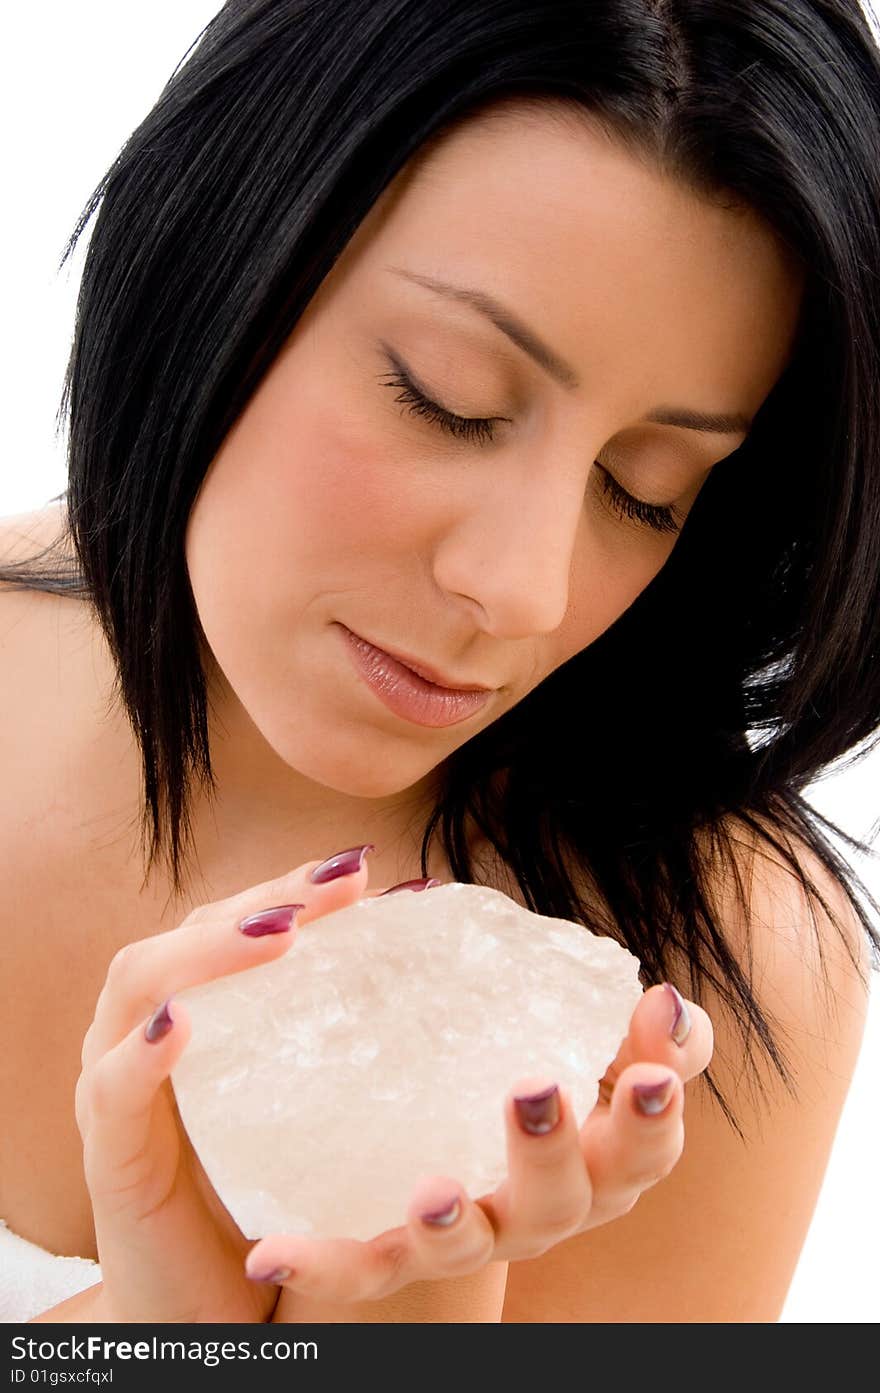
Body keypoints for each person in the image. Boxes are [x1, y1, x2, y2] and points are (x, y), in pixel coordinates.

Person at [1, 0, 879, 1325]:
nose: (520, 590)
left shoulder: (709, 984)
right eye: (445, 394)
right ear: (223, 242)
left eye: (646, 489)